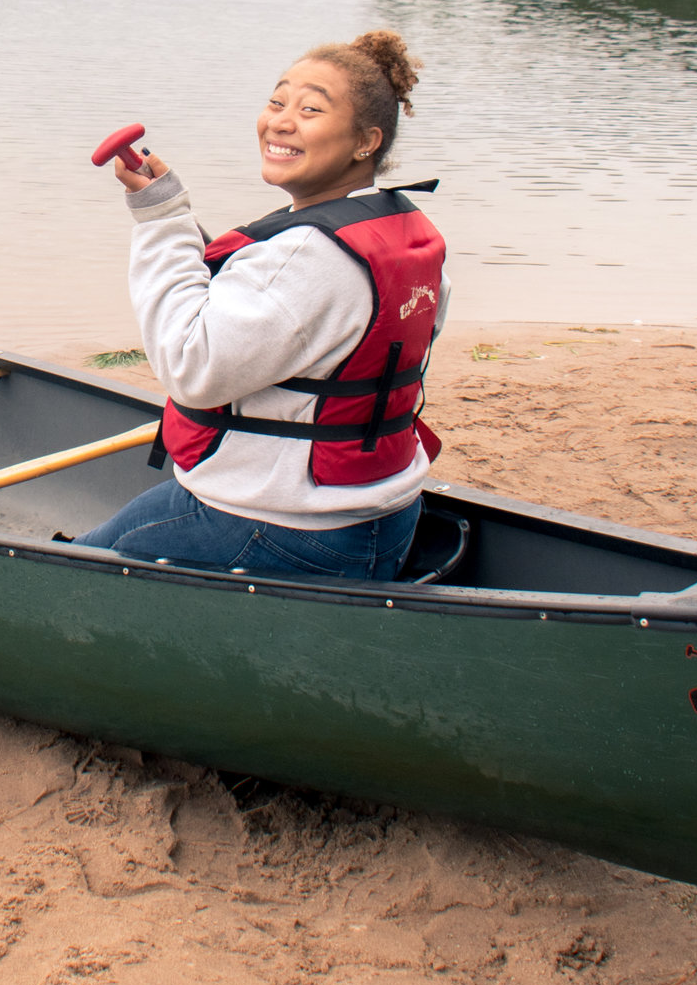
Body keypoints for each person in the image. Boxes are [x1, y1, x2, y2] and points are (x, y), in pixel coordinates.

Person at [78, 31, 447, 580]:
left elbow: (191, 368)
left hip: (283, 524)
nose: (280, 120)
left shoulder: (306, 255)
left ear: (365, 141)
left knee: (71, 565)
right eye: (277, 102)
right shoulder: (401, 230)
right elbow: (291, 316)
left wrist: (159, 224)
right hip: (383, 515)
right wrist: (172, 208)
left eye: (311, 109)